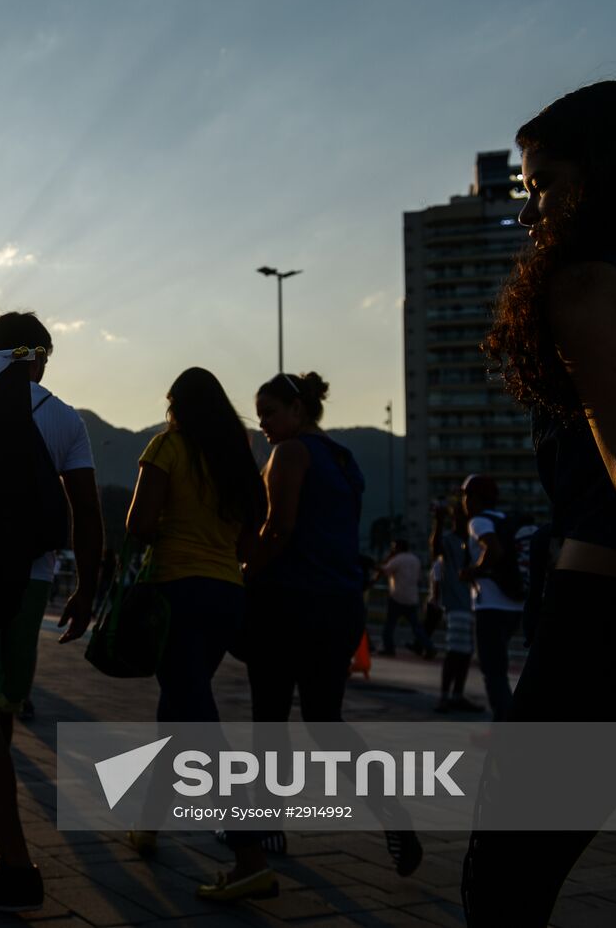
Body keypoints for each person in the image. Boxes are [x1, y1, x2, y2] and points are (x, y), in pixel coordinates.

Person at [465, 80, 616, 923]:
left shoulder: (587, 286)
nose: (531, 213)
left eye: (541, 186)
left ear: (601, 176)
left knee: (504, 885)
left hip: (614, 624)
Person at [0, 311, 103, 912]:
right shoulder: (66, 419)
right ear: (41, 357)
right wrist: (87, 590)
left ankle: (16, 867)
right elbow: (86, 512)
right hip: (32, 580)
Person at [244, 372, 422, 877]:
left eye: (270, 414)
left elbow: (279, 526)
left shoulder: (292, 453)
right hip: (342, 606)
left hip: (289, 602)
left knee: (271, 717)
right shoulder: (347, 461)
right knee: (325, 721)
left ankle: (267, 823)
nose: (266, 428)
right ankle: (392, 811)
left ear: (297, 410)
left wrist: (246, 570)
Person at [121, 367, 271, 900]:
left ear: (177, 407)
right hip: (226, 597)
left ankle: (251, 857)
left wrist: (174, 531)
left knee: (199, 727)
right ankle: (150, 824)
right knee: (182, 708)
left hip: (177, 593)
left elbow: (138, 525)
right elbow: (251, 549)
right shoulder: (238, 461)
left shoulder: (169, 448)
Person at [456, 474, 523, 721]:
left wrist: (474, 570)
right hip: (515, 603)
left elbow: (494, 550)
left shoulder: (478, 522)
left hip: (491, 606)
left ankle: (507, 729)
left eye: (465, 495)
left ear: (474, 498)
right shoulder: (506, 520)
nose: (463, 501)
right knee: (501, 669)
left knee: (493, 671)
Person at [430, 501, 482, 713]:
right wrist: (438, 522)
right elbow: (435, 550)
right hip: (456, 604)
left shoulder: (471, 540)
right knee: (454, 652)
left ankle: (456, 695)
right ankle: (445, 696)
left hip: (471, 604)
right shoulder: (449, 540)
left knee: (465, 652)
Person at [377, 539, 434, 658]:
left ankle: (389, 648)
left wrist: (386, 559)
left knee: (389, 625)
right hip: (412, 597)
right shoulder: (415, 560)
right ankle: (429, 647)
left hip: (397, 596)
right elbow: (419, 578)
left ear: (397, 548)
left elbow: (385, 570)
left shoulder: (397, 559)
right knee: (416, 627)